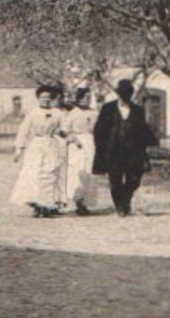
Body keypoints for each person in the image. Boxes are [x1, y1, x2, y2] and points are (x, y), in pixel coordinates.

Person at [93, 79, 157, 217]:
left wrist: (149, 143)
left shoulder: (137, 110)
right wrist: (101, 148)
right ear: (118, 94)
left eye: (127, 94)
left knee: (134, 179)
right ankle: (120, 206)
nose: (124, 97)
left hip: (133, 151)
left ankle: (126, 198)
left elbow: (143, 129)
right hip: (113, 150)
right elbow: (100, 129)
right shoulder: (108, 108)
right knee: (115, 180)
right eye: (122, 94)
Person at [10, 84, 69, 217]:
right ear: (38, 98)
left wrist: (62, 132)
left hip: (51, 144)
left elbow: (65, 129)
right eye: (42, 97)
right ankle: (36, 204)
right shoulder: (32, 113)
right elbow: (23, 131)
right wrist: (19, 149)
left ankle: (47, 205)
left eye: (48, 97)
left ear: (52, 99)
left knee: (50, 173)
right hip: (36, 145)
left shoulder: (58, 113)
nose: (45, 100)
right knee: (34, 173)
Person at [62, 86, 100, 215]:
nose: (87, 100)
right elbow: (64, 130)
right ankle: (77, 200)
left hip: (91, 143)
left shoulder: (94, 113)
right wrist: (73, 139)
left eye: (89, 98)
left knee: (90, 172)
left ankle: (85, 202)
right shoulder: (73, 113)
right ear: (79, 98)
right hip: (77, 145)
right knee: (77, 172)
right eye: (85, 97)